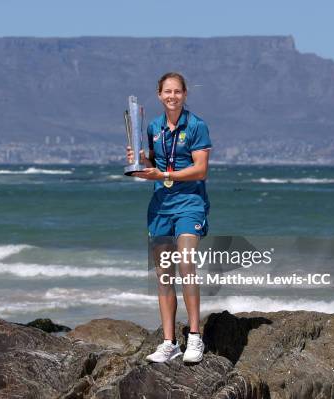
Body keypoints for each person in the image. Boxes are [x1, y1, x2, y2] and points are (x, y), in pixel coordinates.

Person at [126, 72, 211, 363]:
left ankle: (196, 338)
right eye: (167, 92)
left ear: (185, 94)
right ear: (159, 95)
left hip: (190, 203)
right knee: (164, 274)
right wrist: (139, 161)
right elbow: (152, 163)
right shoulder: (153, 127)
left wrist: (162, 174)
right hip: (161, 206)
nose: (172, 96)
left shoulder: (197, 125)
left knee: (186, 262)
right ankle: (169, 342)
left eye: (177, 91)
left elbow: (201, 170)